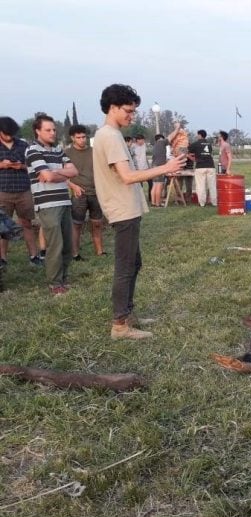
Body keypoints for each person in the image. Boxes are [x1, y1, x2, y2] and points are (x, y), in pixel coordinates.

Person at [92, 84, 186, 340]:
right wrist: (165, 168)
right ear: (112, 108)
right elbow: (128, 176)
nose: (132, 116)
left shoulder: (110, 135)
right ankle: (120, 325)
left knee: (134, 263)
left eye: (133, 111)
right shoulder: (110, 136)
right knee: (125, 267)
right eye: (128, 111)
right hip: (121, 210)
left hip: (127, 209)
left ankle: (127, 314)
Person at [25, 114, 79, 296]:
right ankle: (55, 283)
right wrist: (62, 173)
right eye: (48, 130)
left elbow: (74, 171)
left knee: (66, 244)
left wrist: (54, 172)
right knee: (55, 244)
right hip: (47, 204)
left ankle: (63, 279)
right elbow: (47, 177)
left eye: (54, 129)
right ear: (37, 131)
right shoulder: (32, 150)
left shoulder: (57, 150)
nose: (52, 133)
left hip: (64, 200)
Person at [0, 116, 42, 269]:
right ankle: (2, 259)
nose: (10, 136)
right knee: (3, 228)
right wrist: (2, 165)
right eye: (6, 133)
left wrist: (21, 166)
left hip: (23, 190)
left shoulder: (23, 145)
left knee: (27, 223)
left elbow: (32, 166)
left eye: (12, 133)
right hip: (3, 192)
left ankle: (34, 256)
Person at [65, 125, 107, 260]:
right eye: (79, 137)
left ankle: (100, 251)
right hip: (79, 194)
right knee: (77, 225)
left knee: (97, 223)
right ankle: (75, 253)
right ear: (72, 138)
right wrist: (72, 186)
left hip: (96, 192)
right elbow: (61, 175)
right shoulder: (66, 153)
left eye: (84, 137)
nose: (82, 140)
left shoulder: (94, 151)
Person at [189, 130, 217, 207]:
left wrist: (189, 155)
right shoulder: (209, 144)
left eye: (197, 135)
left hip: (200, 166)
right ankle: (214, 202)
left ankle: (202, 203)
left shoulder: (196, 143)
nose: (196, 136)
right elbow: (207, 153)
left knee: (201, 186)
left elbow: (186, 150)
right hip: (211, 166)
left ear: (200, 135)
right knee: (212, 186)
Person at [149, 134, 167, 207]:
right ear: (159, 139)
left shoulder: (155, 146)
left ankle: (153, 202)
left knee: (154, 185)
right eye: (162, 140)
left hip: (154, 166)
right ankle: (158, 203)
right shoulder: (161, 146)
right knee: (159, 185)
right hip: (160, 166)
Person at [132, 134, 151, 200]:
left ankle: (150, 198)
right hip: (138, 169)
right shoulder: (133, 147)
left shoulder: (144, 145)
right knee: (140, 185)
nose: (143, 141)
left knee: (151, 183)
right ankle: (140, 199)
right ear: (137, 140)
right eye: (142, 140)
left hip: (146, 168)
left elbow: (145, 155)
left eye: (143, 140)